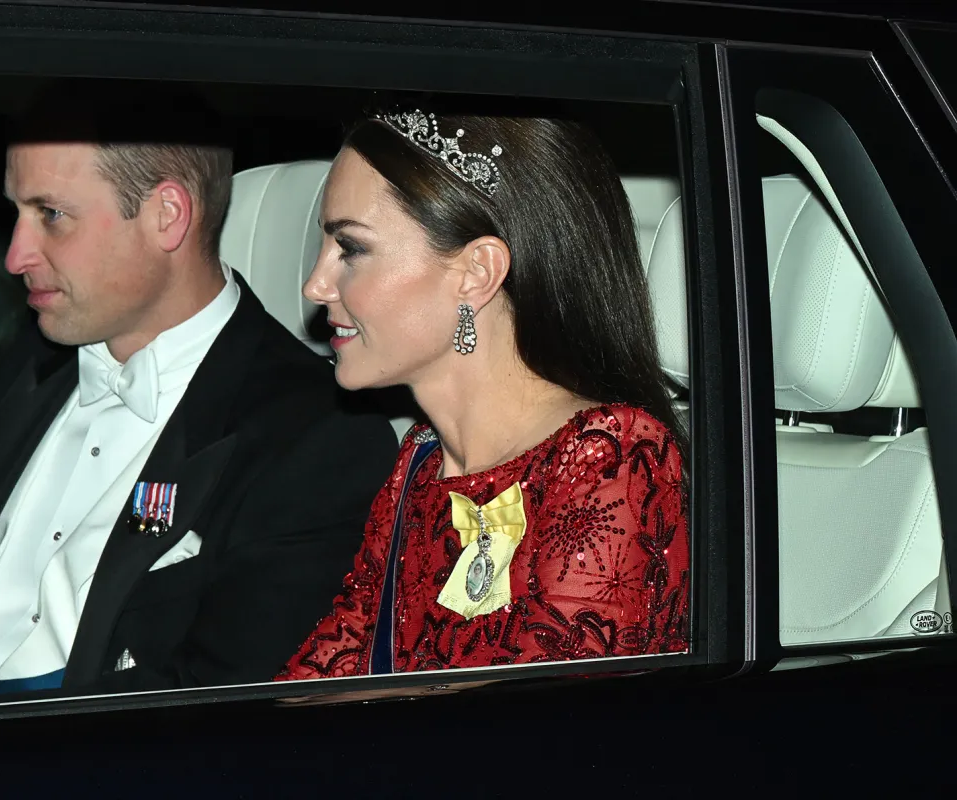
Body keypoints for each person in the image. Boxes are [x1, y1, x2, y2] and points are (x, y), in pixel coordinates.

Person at [0, 82, 400, 715]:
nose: (15, 256)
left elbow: (216, 707)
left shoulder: (315, 435)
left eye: (52, 215)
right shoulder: (32, 364)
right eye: (16, 213)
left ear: (167, 216)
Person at [277, 108, 690, 680]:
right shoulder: (420, 462)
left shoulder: (608, 457)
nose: (315, 285)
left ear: (477, 272)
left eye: (351, 248)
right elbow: (328, 673)